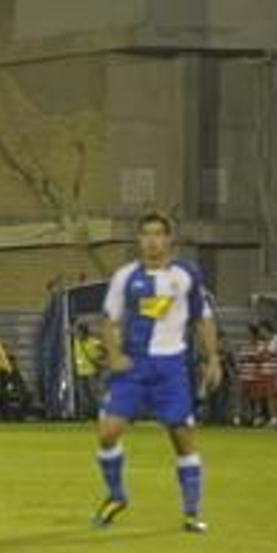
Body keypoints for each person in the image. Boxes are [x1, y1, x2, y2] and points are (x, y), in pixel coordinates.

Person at [92, 210, 222, 533]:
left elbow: (202, 318)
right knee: (107, 433)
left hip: (171, 369)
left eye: (158, 234)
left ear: (168, 239)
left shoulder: (186, 275)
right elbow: (107, 320)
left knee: (182, 439)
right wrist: (115, 355)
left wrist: (213, 358)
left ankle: (191, 513)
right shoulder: (125, 276)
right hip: (133, 368)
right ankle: (116, 495)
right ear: (139, 239)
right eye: (146, 234)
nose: (151, 241)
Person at [72, 321, 106, 418]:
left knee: (94, 394)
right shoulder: (75, 342)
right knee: (84, 395)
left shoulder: (94, 341)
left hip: (92, 372)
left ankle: (99, 412)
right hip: (80, 373)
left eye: (79, 332)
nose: (78, 334)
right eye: (77, 332)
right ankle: (89, 412)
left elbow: (105, 351)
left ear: (85, 332)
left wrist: (99, 359)